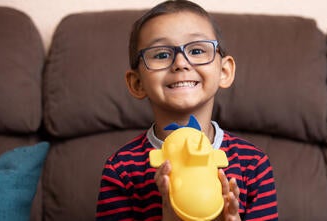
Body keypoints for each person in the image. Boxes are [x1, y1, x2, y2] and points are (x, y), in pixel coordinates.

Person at [96, 0, 278, 220]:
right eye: (161, 54)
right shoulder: (121, 170)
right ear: (137, 83)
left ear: (224, 71)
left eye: (197, 50)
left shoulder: (253, 164)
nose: (181, 63)